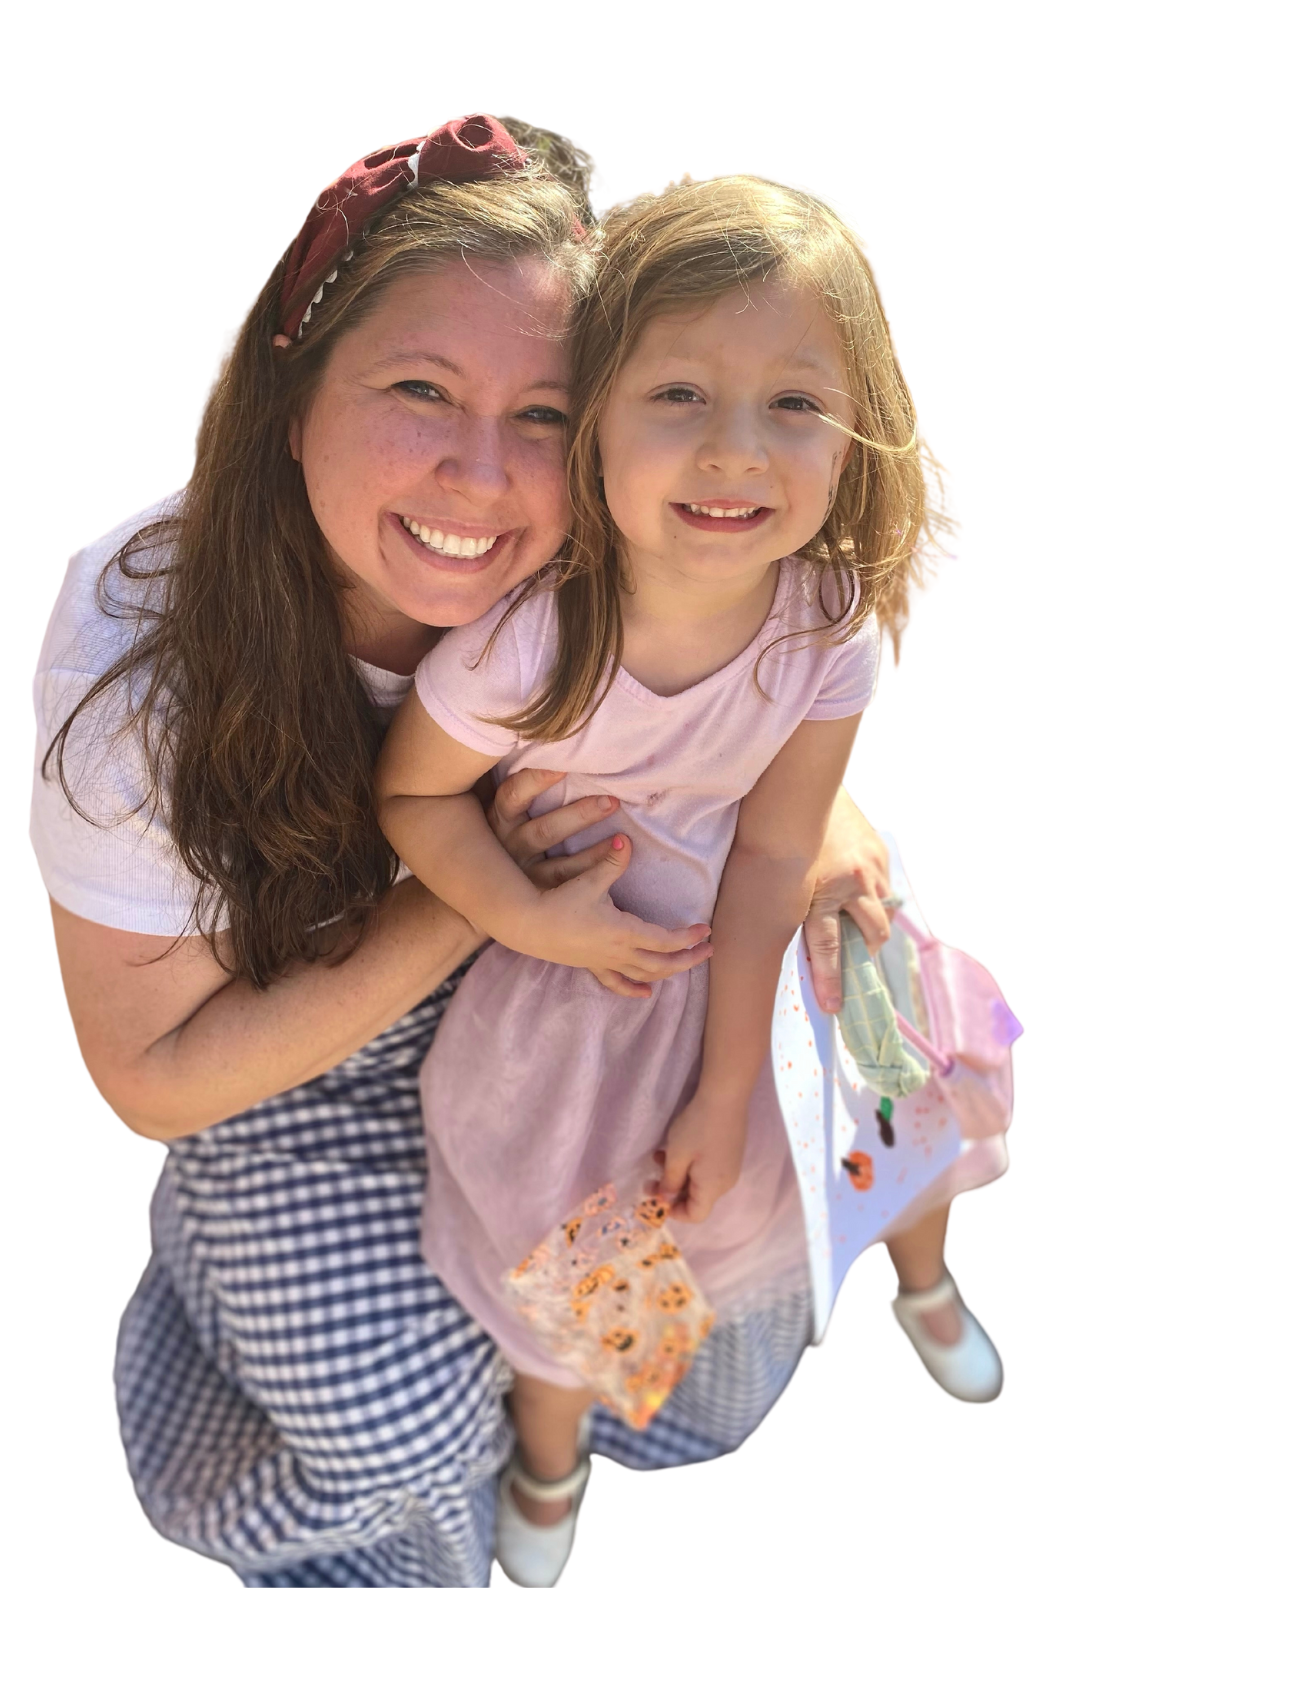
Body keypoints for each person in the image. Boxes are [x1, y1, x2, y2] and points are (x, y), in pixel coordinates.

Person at [31, 116, 941, 1590]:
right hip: (296, 1055)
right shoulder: (144, 669)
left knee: (700, 1344)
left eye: (543, 413)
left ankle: (555, 1423)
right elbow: (149, 1075)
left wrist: (813, 816)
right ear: (292, 379)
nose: (477, 473)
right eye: (418, 388)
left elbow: (751, 666)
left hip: (574, 1007)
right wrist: (487, 901)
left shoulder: (607, 537)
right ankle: (256, 1350)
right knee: (394, 1438)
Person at [377, 174, 1003, 1587]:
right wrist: (526, 908)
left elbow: (781, 845)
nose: (736, 453)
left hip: (760, 937)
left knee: (903, 1096)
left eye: (795, 404)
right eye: (679, 396)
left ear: (860, 435)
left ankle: (924, 1274)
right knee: (597, 1253)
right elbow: (412, 794)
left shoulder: (823, 628)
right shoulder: (527, 651)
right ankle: (552, 1453)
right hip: (595, 978)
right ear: (590, 414)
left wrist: (731, 1085)